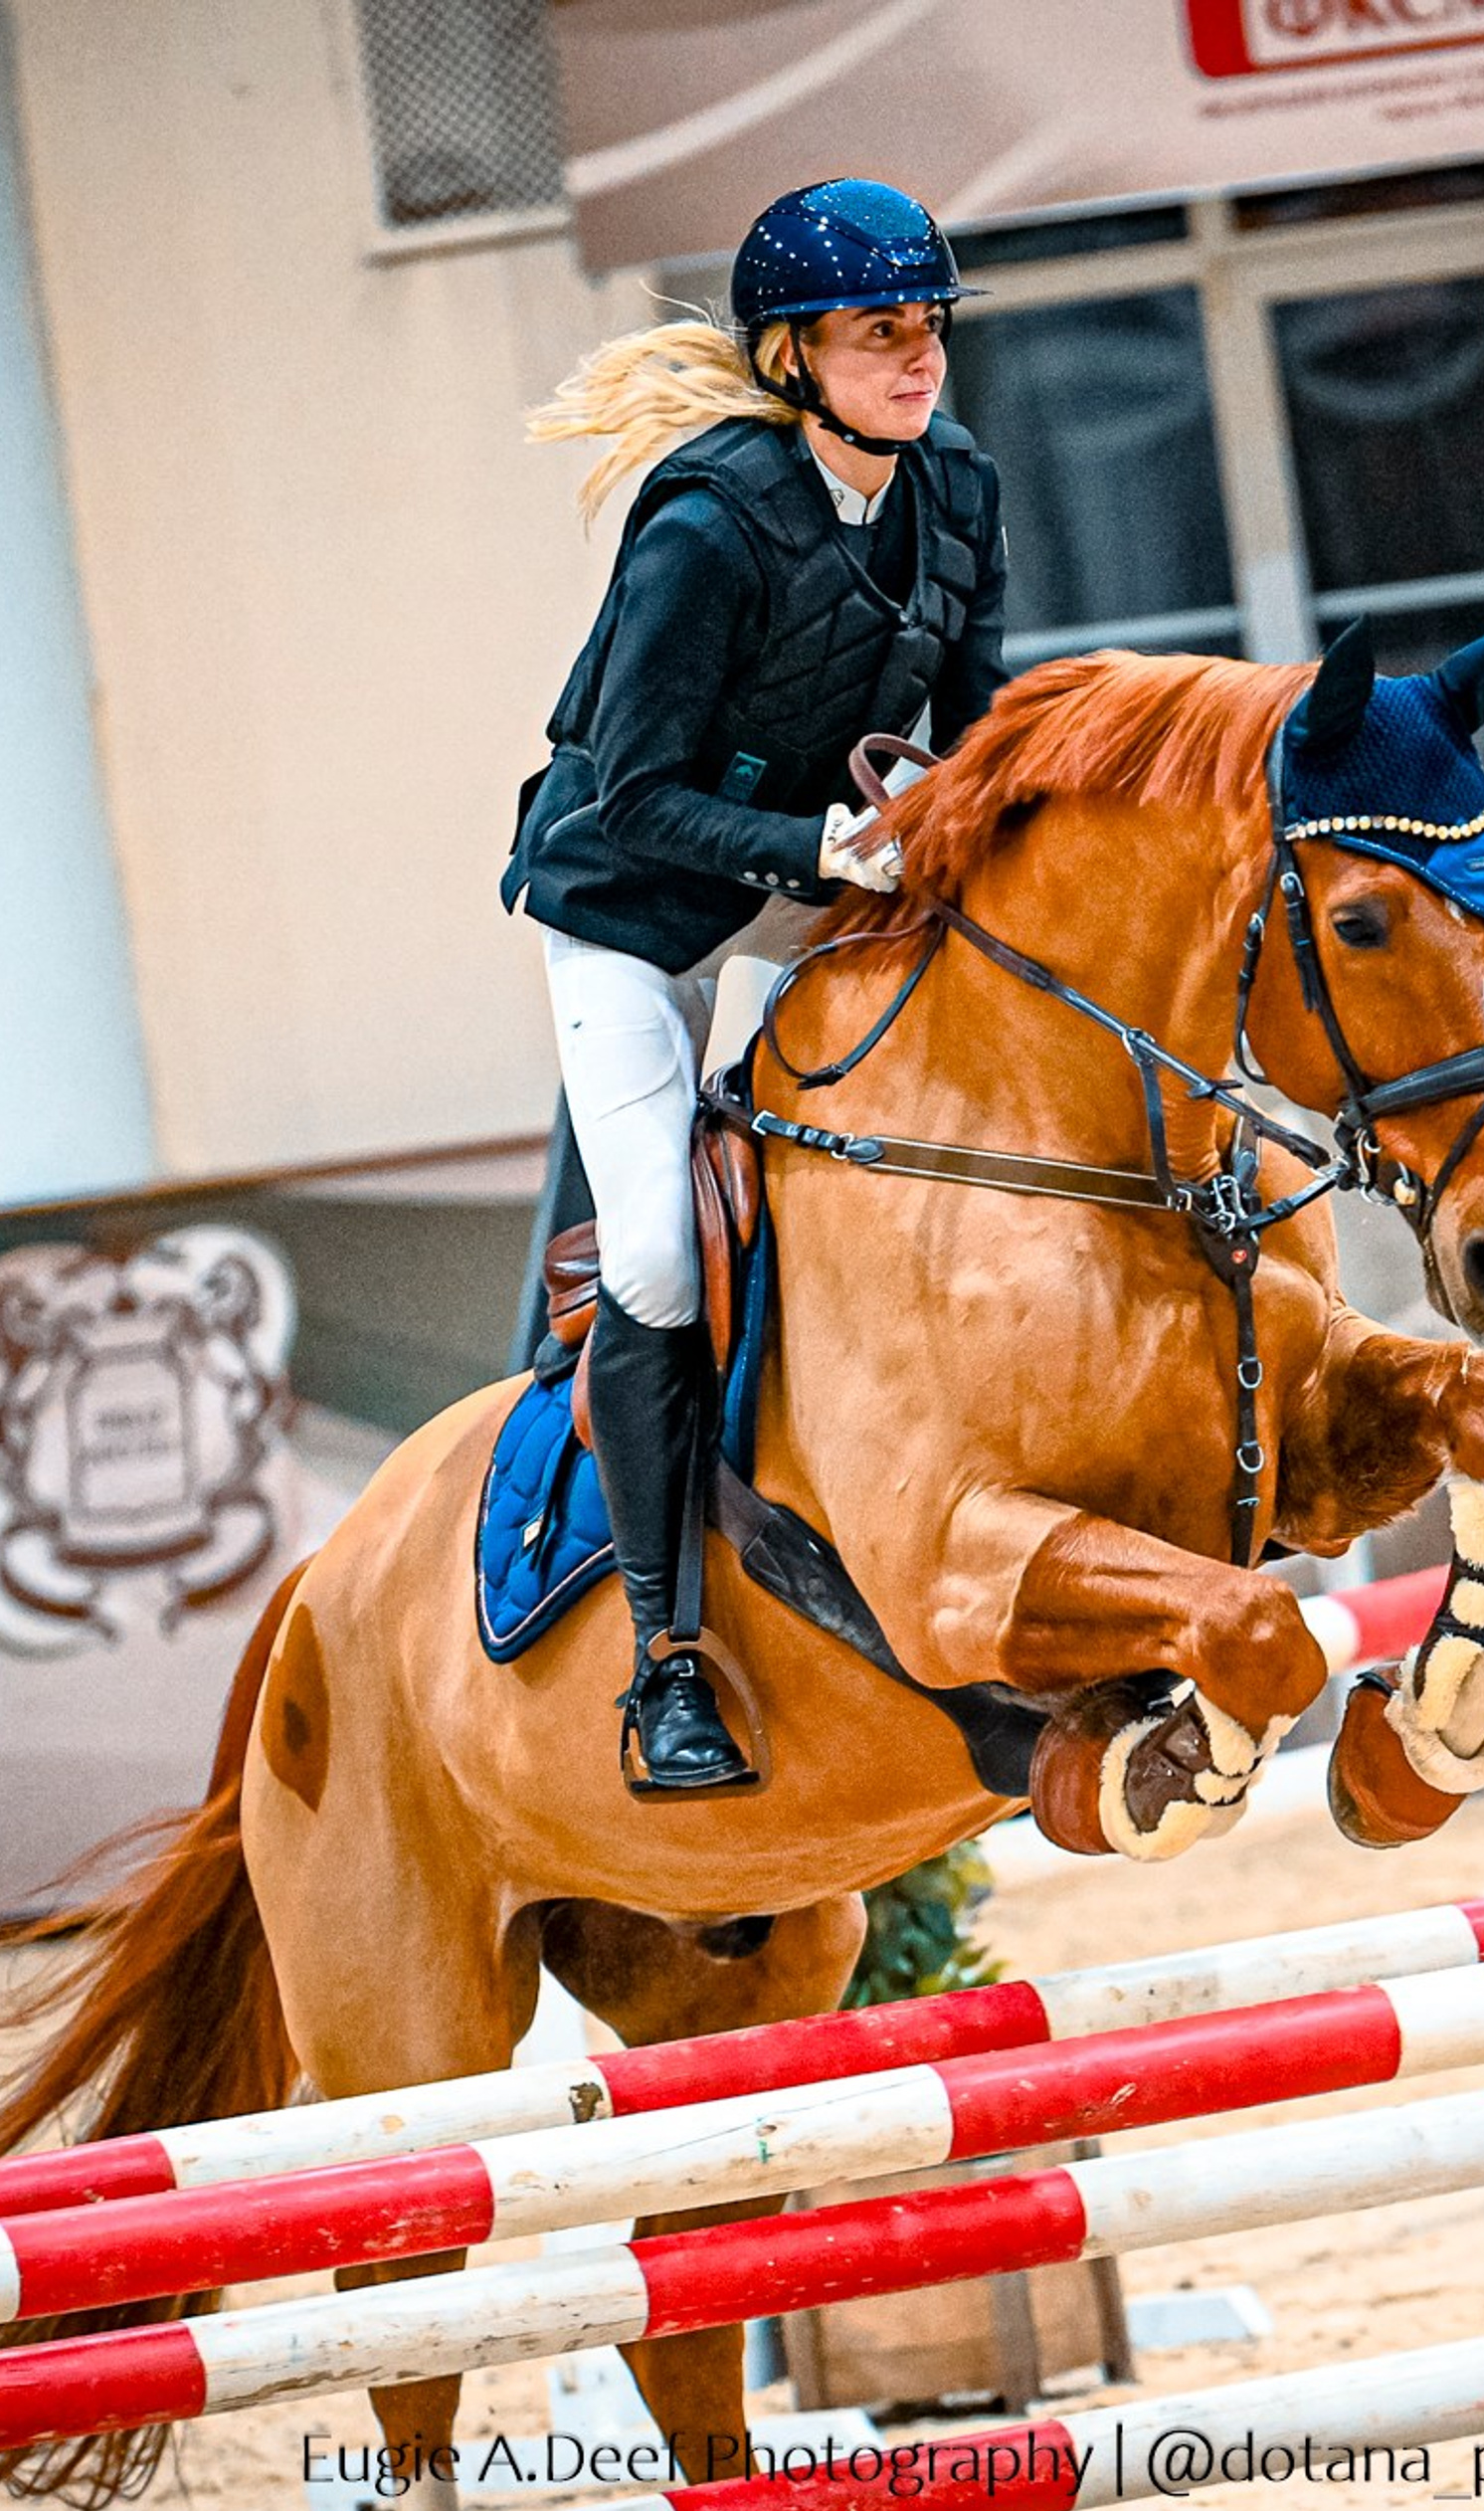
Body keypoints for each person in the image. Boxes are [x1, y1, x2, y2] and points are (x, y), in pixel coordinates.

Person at [504, 179, 1010, 1797]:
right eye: (883, 332)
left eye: (929, 325)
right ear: (793, 353)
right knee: (655, 1252)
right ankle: (663, 1661)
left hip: (808, 893)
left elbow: (979, 726)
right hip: (638, 912)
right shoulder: (709, 521)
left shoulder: (962, 487)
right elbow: (632, 792)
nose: (918, 357)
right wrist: (820, 846)